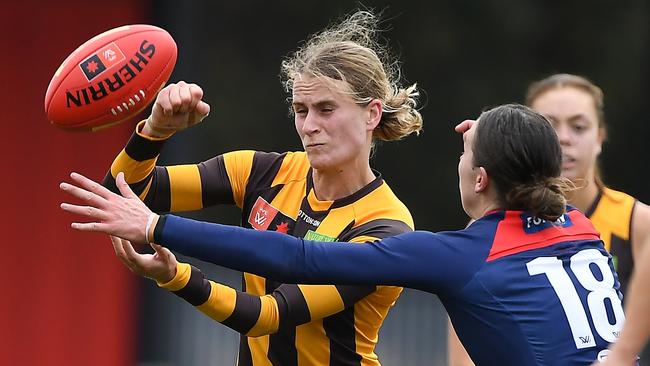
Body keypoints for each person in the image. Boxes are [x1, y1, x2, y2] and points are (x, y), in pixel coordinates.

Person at [61, 104, 629, 365]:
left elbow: (301, 260)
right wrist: (499, 132)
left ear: (480, 177)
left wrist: (159, 228)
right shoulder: (576, 224)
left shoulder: (453, 253)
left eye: (465, 154)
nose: (308, 124)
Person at [97, 10, 423, 366]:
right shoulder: (261, 172)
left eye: (326, 109)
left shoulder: (386, 228)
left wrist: (175, 275)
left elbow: (266, 316)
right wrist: (155, 131)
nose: (309, 125)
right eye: (301, 110)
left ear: (372, 114)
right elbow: (124, 191)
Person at [448, 73, 650, 365]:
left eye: (579, 127)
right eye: (549, 125)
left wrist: (621, 354)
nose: (564, 138)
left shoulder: (636, 221)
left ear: (600, 138)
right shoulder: (485, 229)